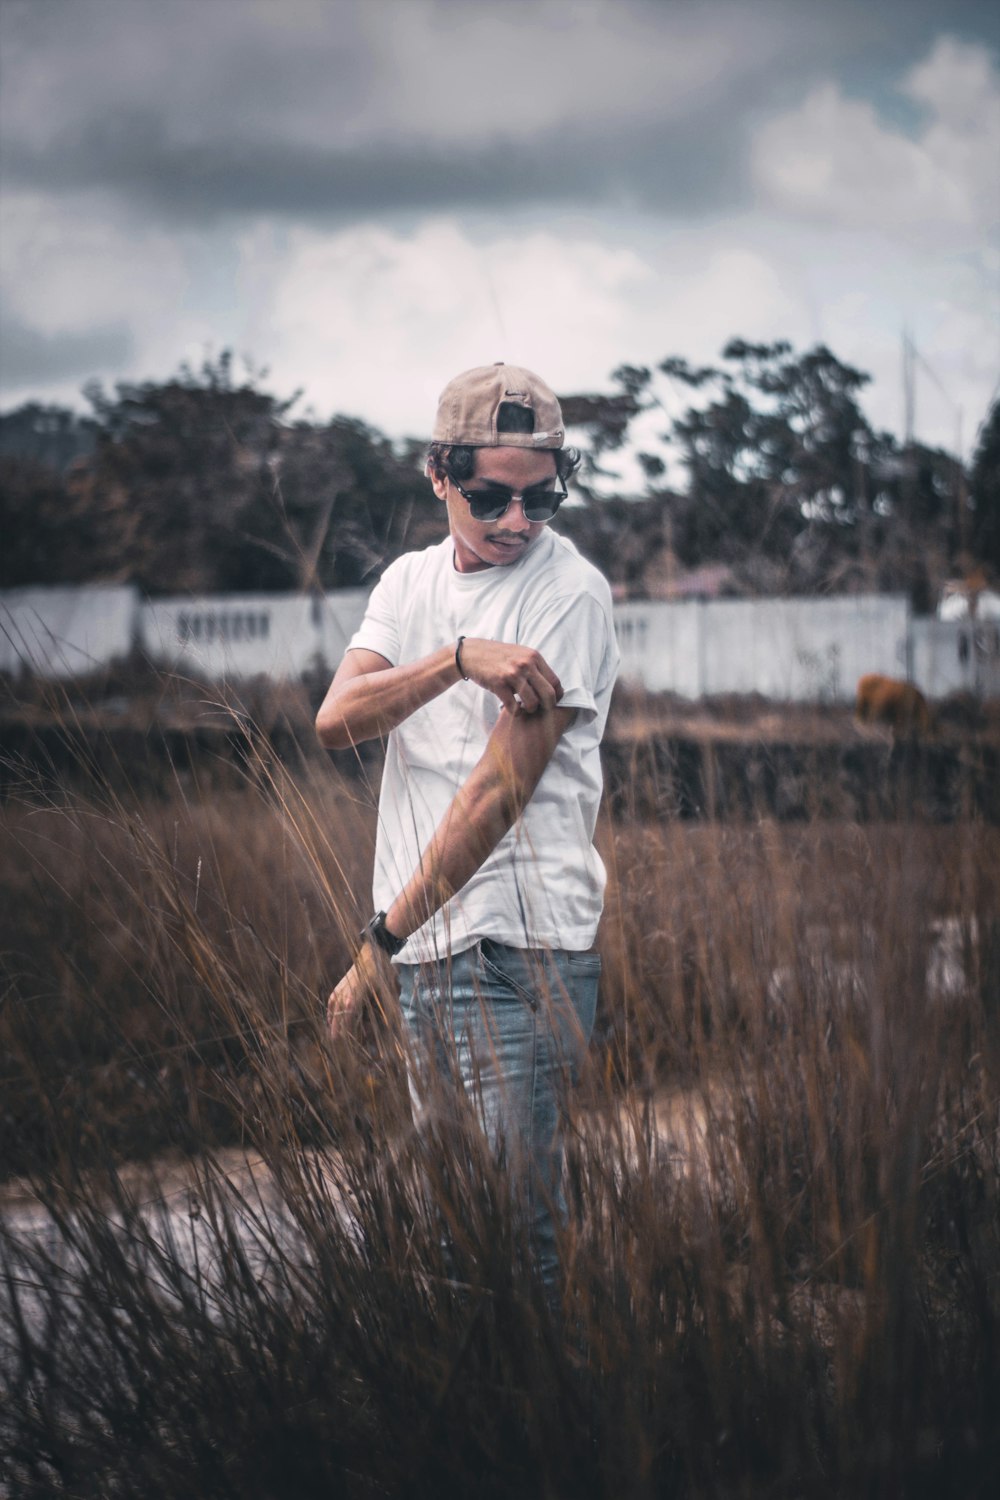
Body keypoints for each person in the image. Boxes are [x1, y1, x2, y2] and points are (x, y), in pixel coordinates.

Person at [316, 362, 620, 1288]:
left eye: (542, 499)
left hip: (520, 955)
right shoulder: (409, 586)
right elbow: (337, 722)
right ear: (438, 474)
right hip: (426, 955)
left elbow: (493, 796)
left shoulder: (569, 595)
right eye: (490, 499)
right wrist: (454, 660)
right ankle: (480, 1426)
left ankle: (555, 1430)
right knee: (456, 1233)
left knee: (515, 1240)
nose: (519, 524)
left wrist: (377, 942)